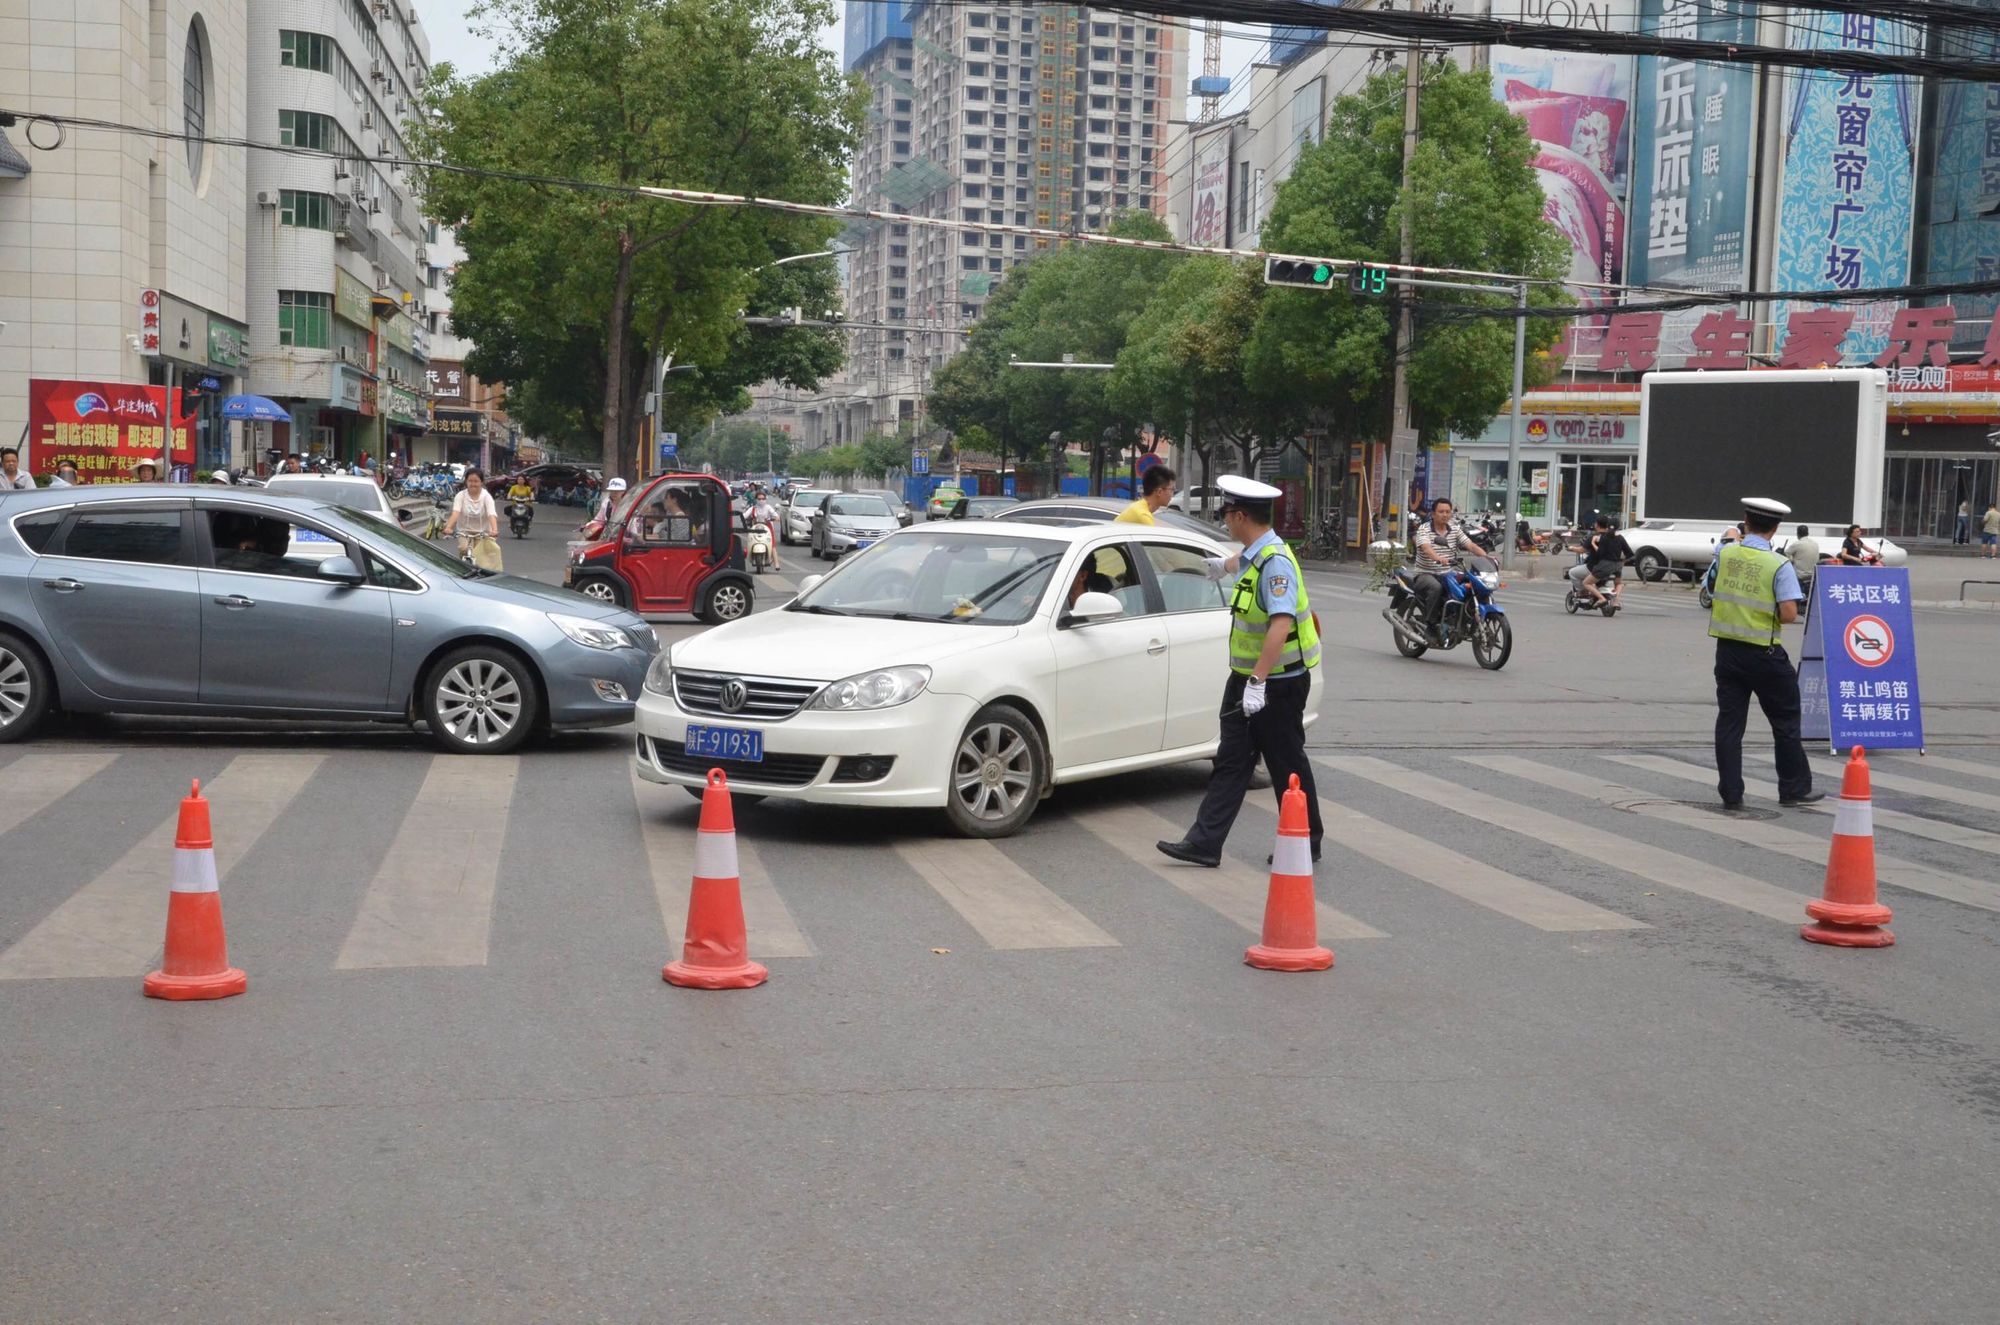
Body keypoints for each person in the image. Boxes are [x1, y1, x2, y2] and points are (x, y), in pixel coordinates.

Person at [1157, 475, 1324, 868]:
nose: (1225, 523)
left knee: (1287, 765)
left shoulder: (1276, 562)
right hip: (1247, 681)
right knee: (1231, 761)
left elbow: (1280, 625)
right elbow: (1241, 564)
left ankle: (1307, 840)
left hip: (1276, 684)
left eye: (1227, 516)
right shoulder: (1255, 553)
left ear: (1240, 515)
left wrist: (1257, 683)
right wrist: (1222, 566)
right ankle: (1204, 843)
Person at [1710, 497, 1820, 811]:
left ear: (1745, 520)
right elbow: (1788, 613)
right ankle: (1792, 789)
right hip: (1764, 652)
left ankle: (1731, 794)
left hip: (1727, 651)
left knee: (1730, 724)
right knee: (1785, 721)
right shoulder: (1778, 565)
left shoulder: (1726, 553)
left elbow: (1712, 587)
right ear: (1776, 528)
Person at [1409, 497, 1478, 639]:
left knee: (1472, 583)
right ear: (1433, 514)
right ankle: (1431, 625)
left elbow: (1470, 545)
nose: (1445, 514)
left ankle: (1462, 617)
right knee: (1436, 587)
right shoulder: (1424, 529)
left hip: (1448, 573)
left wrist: (1487, 558)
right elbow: (1426, 548)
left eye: (1447, 511)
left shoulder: (1455, 529)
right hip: (1425, 573)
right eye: (1441, 511)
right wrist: (1438, 558)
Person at [1578, 514, 1632, 609]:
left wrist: (1593, 543)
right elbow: (1630, 554)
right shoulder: (1620, 538)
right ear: (1618, 527)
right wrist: (1622, 562)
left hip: (1605, 566)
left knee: (1586, 583)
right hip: (1617, 566)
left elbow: (1600, 553)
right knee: (1619, 583)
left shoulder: (1604, 537)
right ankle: (1616, 601)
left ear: (1607, 526)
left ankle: (1601, 598)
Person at [443, 467, 498, 557]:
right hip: (464, 531)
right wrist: (449, 527)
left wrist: (495, 530)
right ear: (466, 482)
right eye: (470, 481)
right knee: (463, 549)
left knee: (479, 555)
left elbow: (491, 514)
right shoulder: (460, 496)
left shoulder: (486, 496)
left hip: (482, 532)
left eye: (476, 481)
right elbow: (455, 513)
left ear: (481, 482)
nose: (473, 484)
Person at [747, 487, 784, 570]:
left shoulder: (768, 507)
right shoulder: (753, 508)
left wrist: (774, 518)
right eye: (759, 498)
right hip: (755, 528)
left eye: (763, 498)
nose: (761, 500)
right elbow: (745, 515)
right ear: (756, 499)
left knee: (772, 546)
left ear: (765, 499)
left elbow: (776, 516)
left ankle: (776, 563)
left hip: (767, 528)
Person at [1787, 524, 1821, 593]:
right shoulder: (1815, 544)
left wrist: (1792, 560)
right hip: (1813, 575)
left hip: (1800, 576)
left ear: (1797, 534)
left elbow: (1786, 554)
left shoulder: (1797, 544)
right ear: (1808, 533)